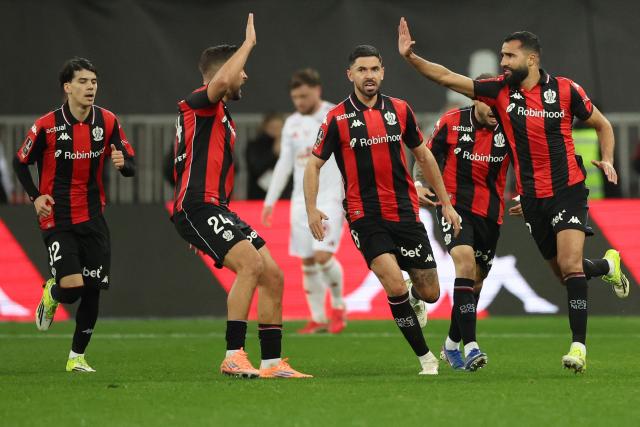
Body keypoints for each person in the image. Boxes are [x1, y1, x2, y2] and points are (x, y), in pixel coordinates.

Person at [398, 18, 628, 373]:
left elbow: (603, 124)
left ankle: (578, 348)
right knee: (566, 272)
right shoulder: (499, 91)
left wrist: (609, 159)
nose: (503, 63)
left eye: (509, 56)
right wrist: (412, 58)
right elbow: (447, 77)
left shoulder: (566, 90)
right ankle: (606, 266)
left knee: (568, 267)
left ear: (532, 59)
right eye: (502, 56)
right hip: (533, 200)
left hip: (568, 189)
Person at [304, 44, 461, 376]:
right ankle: (426, 360)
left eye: (374, 69)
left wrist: (445, 201)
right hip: (365, 215)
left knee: (431, 292)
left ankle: (416, 299)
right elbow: (313, 166)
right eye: (362, 70)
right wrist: (312, 209)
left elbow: (424, 156)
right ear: (350, 75)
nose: (369, 75)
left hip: (405, 211)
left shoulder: (401, 110)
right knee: (393, 284)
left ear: (383, 72)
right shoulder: (336, 119)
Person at [171, 14, 310, 379]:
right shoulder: (200, 103)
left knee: (274, 275)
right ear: (222, 73)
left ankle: (271, 362)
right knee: (251, 265)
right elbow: (226, 79)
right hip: (199, 205)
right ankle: (233, 355)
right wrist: (247, 44)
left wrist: (201, 227)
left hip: (212, 208)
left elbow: (184, 165)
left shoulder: (220, 115)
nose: (246, 75)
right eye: (242, 69)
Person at [13, 57, 136, 372]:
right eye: (82, 81)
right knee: (72, 287)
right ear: (67, 87)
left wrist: (125, 165)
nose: (90, 87)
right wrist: (35, 195)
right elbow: (20, 162)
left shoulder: (107, 121)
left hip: (94, 217)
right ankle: (52, 292)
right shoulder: (46, 125)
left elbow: (129, 163)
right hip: (57, 218)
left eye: (93, 82)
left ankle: (76, 358)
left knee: (93, 290)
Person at [413, 79, 509, 371]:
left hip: (491, 215)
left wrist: (529, 195)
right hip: (454, 207)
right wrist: (418, 182)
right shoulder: (452, 122)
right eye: (488, 103)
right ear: (475, 99)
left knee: (474, 283)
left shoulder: (510, 126)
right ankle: (472, 346)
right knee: (464, 264)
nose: (494, 110)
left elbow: (530, 161)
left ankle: (451, 343)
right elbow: (425, 155)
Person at [262, 68, 346, 334]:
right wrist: (270, 201)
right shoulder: (291, 124)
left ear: (317, 91)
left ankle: (339, 306)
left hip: (330, 195)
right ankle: (318, 318)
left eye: (305, 95)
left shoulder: (334, 115)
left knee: (323, 256)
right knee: (307, 260)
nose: (300, 102)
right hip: (300, 200)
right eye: (296, 97)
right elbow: (284, 163)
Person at [246, 113, 290, 199]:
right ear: (264, 127)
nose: (276, 131)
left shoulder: (289, 146)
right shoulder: (255, 145)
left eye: (279, 128)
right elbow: (255, 168)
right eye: (272, 127)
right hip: (259, 196)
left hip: (284, 197)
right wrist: (273, 153)